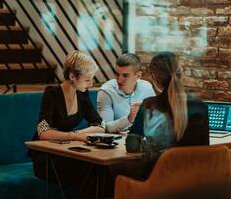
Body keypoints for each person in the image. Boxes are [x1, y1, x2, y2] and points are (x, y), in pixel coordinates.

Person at [110, 51, 209, 180]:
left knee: (112, 168)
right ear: (180, 74)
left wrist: (151, 143)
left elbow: (132, 145)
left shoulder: (149, 105)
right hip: (193, 180)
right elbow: (204, 148)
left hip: (158, 178)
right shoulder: (201, 106)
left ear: (154, 77)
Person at [28, 51, 105, 198]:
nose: (91, 84)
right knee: (92, 168)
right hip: (47, 157)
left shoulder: (82, 93)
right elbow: (43, 132)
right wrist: (75, 136)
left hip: (67, 151)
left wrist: (79, 134)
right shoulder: (52, 94)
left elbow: (100, 124)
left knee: (101, 169)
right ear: (72, 76)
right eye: (87, 79)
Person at [97, 53, 156, 133]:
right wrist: (129, 119)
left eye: (125, 75)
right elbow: (105, 127)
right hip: (118, 142)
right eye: (117, 74)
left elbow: (155, 118)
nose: (119, 80)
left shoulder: (147, 87)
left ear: (138, 75)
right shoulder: (106, 91)